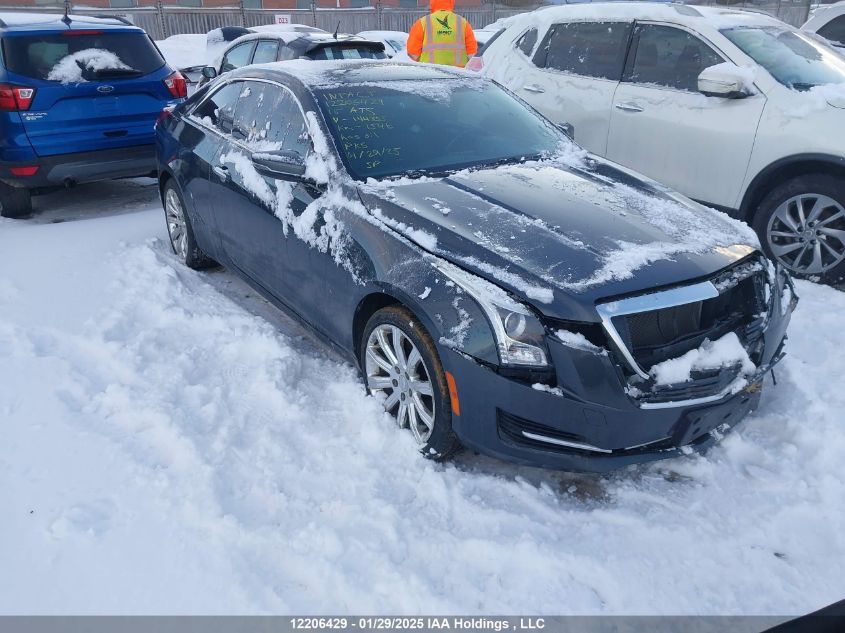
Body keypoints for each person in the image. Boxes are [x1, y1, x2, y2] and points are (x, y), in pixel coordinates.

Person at [406, 0, 478, 67]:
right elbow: (472, 55)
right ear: (451, 2)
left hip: (429, 74)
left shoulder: (422, 22)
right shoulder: (462, 23)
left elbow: (413, 54)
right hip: (457, 75)